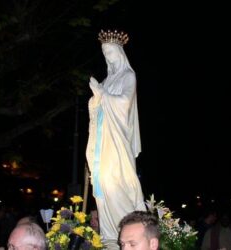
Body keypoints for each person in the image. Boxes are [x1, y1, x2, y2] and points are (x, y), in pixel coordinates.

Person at [86, 29, 146, 249]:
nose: (108, 57)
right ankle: (110, 236)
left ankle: (128, 235)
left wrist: (102, 94)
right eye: (105, 53)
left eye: (111, 52)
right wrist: (96, 98)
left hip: (117, 142)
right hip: (102, 141)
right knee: (103, 183)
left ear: (119, 53)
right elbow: (97, 108)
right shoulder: (108, 79)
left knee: (117, 184)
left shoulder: (128, 76)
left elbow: (123, 103)